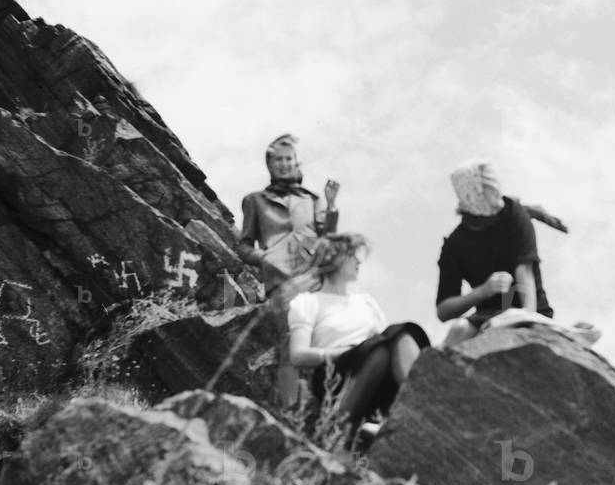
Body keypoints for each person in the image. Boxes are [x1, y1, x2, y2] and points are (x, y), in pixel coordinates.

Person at [288, 233, 429, 440]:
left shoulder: (366, 301)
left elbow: (387, 338)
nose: (358, 261)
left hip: (374, 361)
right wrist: (343, 353)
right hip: (335, 373)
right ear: (334, 259)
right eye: (352, 256)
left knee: (403, 333)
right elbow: (297, 355)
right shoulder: (308, 302)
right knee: (380, 350)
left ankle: (421, 402)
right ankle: (340, 426)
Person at [435, 159, 554, 345]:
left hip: (531, 310)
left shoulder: (514, 214)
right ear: (473, 195)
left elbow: (525, 275)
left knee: (507, 328)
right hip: (487, 316)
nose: (498, 193)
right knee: (459, 329)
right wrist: (483, 291)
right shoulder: (455, 245)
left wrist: (527, 319)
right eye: (491, 189)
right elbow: (443, 310)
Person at [237, 133, 341, 297]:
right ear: (269, 165)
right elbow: (244, 247)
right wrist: (265, 258)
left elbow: (328, 237)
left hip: (313, 276)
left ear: (295, 162)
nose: (284, 164)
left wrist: (331, 205)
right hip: (279, 281)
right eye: (278, 159)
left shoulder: (312, 199)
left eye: (288, 158)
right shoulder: (254, 200)